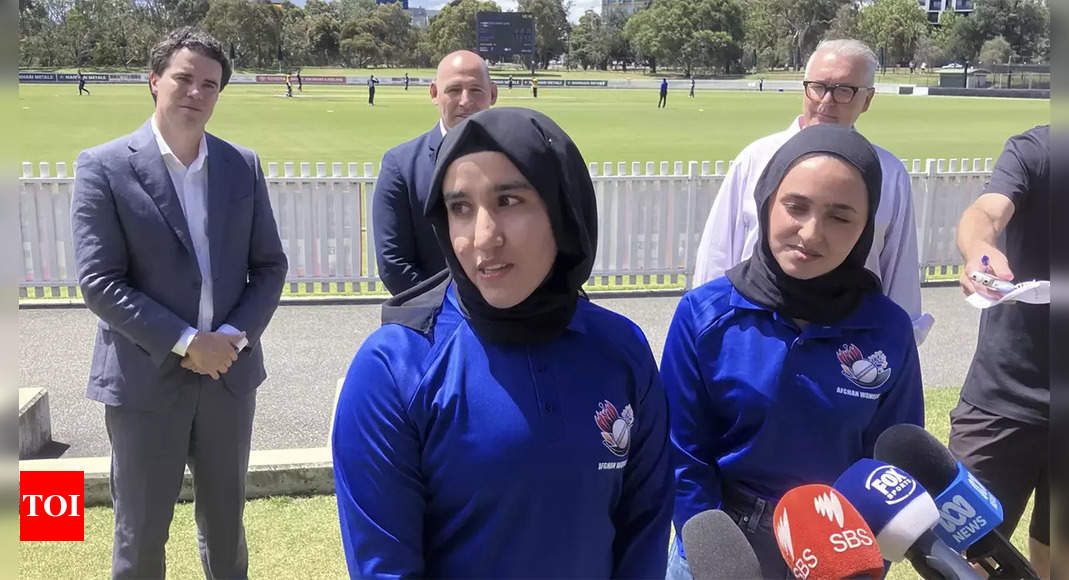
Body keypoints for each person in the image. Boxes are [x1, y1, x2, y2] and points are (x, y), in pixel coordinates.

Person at [333, 107, 673, 578]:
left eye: (509, 201)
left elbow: (645, 532)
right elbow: (385, 569)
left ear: (562, 210)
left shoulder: (621, 349)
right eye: (460, 208)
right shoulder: (394, 369)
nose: (482, 238)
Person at [70, 27, 288, 579]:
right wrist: (189, 342)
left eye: (210, 84)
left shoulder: (243, 165)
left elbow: (269, 268)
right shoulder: (104, 166)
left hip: (229, 379)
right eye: (183, 78)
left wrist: (231, 341)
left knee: (226, 526)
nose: (196, 92)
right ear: (154, 81)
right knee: (140, 532)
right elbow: (99, 281)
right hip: (145, 380)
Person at [662, 124, 924, 579]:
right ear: (766, 203)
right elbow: (682, 455)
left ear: (867, 228)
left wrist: (864, 557)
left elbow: (893, 460)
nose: (811, 233)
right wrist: (708, 551)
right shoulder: (704, 317)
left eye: (840, 217)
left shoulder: (887, 328)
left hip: (840, 546)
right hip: (726, 544)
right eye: (796, 207)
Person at [693, 39, 932, 345]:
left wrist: (898, 345)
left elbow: (899, 272)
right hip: (752, 334)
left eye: (844, 90)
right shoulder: (756, 158)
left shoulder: (890, 174)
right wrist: (708, 327)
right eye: (818, 86)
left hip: (847, 343)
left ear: (868, 100)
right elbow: (718, 253)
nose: (827, 101)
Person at [952, 124, 1052, 579]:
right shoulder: (1039, 148)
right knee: (963, 555)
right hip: (1002, 398)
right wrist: (978, 250)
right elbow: (986, 211)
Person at [372, 50, 498, 295]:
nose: (465, 101)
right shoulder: (401, 165)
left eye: (475, 90)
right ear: (434, 93)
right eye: (453, 90)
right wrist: (446, 312)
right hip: (434, 321)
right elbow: (393, 262)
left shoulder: (517, 159)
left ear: (492, 94)